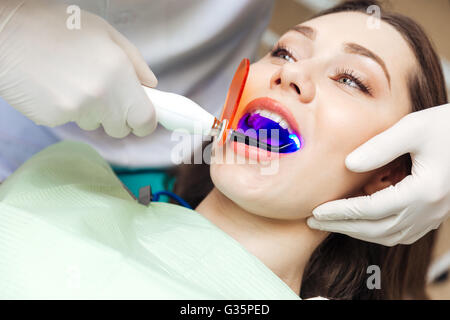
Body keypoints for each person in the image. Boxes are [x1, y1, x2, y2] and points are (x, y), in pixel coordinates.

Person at [0, 0, 445, 299]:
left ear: (389, 174)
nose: (292, 74)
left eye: (350, 79)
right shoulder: (60, 176)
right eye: (286, 52)